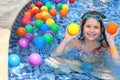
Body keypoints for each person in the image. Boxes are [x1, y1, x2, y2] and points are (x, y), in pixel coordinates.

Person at [45, 11, 120, 79]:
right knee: (49, 60)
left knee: (112, 76)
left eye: (96, 27)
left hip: (98, 68)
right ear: (82, 28)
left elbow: (117, 63)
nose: (92, 31)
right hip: (80, 65)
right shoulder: (77, 43)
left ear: (101, 30)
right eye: (88, 26)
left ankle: (72, 70)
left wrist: (111, 41)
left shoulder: (104, 46)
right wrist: (66, 39)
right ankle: (74, 70)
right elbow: (54, 54)